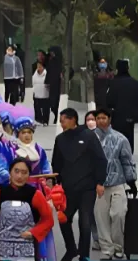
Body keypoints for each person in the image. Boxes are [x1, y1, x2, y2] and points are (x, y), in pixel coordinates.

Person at [53, 107, 108, 261]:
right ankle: (71, 249)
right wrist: (55, 184)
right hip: (68, 188)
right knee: (63, 219)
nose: (61, 123)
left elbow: (100, 160)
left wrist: (100, 182)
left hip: (87, 188)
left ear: (73, 119)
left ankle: (84, 255)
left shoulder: (89, 136)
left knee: (85, 222)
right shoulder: (60, 139)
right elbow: (56, 163)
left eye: (63, 120)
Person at [0, 159, 55, 261]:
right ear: (10, 172)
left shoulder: (36, 194)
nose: (19, 176)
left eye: (24, 172)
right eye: (16, 171)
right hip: (3, 250)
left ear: (28, 175)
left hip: (27, 250)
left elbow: (48, 220)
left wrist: (33, 232)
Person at [92, 108, 137, 260]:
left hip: (117, 183)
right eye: (98, 118)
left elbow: (127, 161)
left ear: (109, 119)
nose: (100, 121)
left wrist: (132, 181)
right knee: (101, 218)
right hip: (98, 185)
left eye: (104, 118)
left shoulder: (120, 139)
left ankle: (119, 247)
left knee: (118, 214)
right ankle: (107, 251)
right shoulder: (90, 138)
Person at [105, 59, 138, 150]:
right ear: (128, 68)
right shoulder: (135, 83)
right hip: (131, 117)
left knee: (118, 140)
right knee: (129, 138)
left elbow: (109, 101)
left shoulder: (113, 83)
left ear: (117, 69)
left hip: (118, 117)